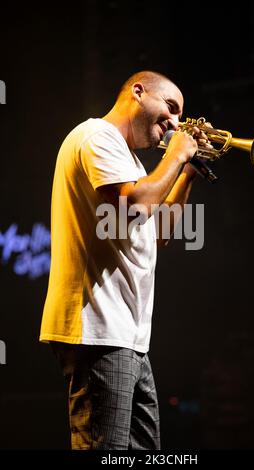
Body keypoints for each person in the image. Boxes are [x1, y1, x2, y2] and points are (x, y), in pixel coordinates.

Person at [39, 70, 212, 450]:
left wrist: (186, 173)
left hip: (126, 335)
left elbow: (160, 229)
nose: (175, 124)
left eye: (180, 118)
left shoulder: (129, 160)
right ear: (138, 92)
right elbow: (135, 206)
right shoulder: (96, 135)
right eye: (170, 108)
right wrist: (179, 152)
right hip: (99, 328)